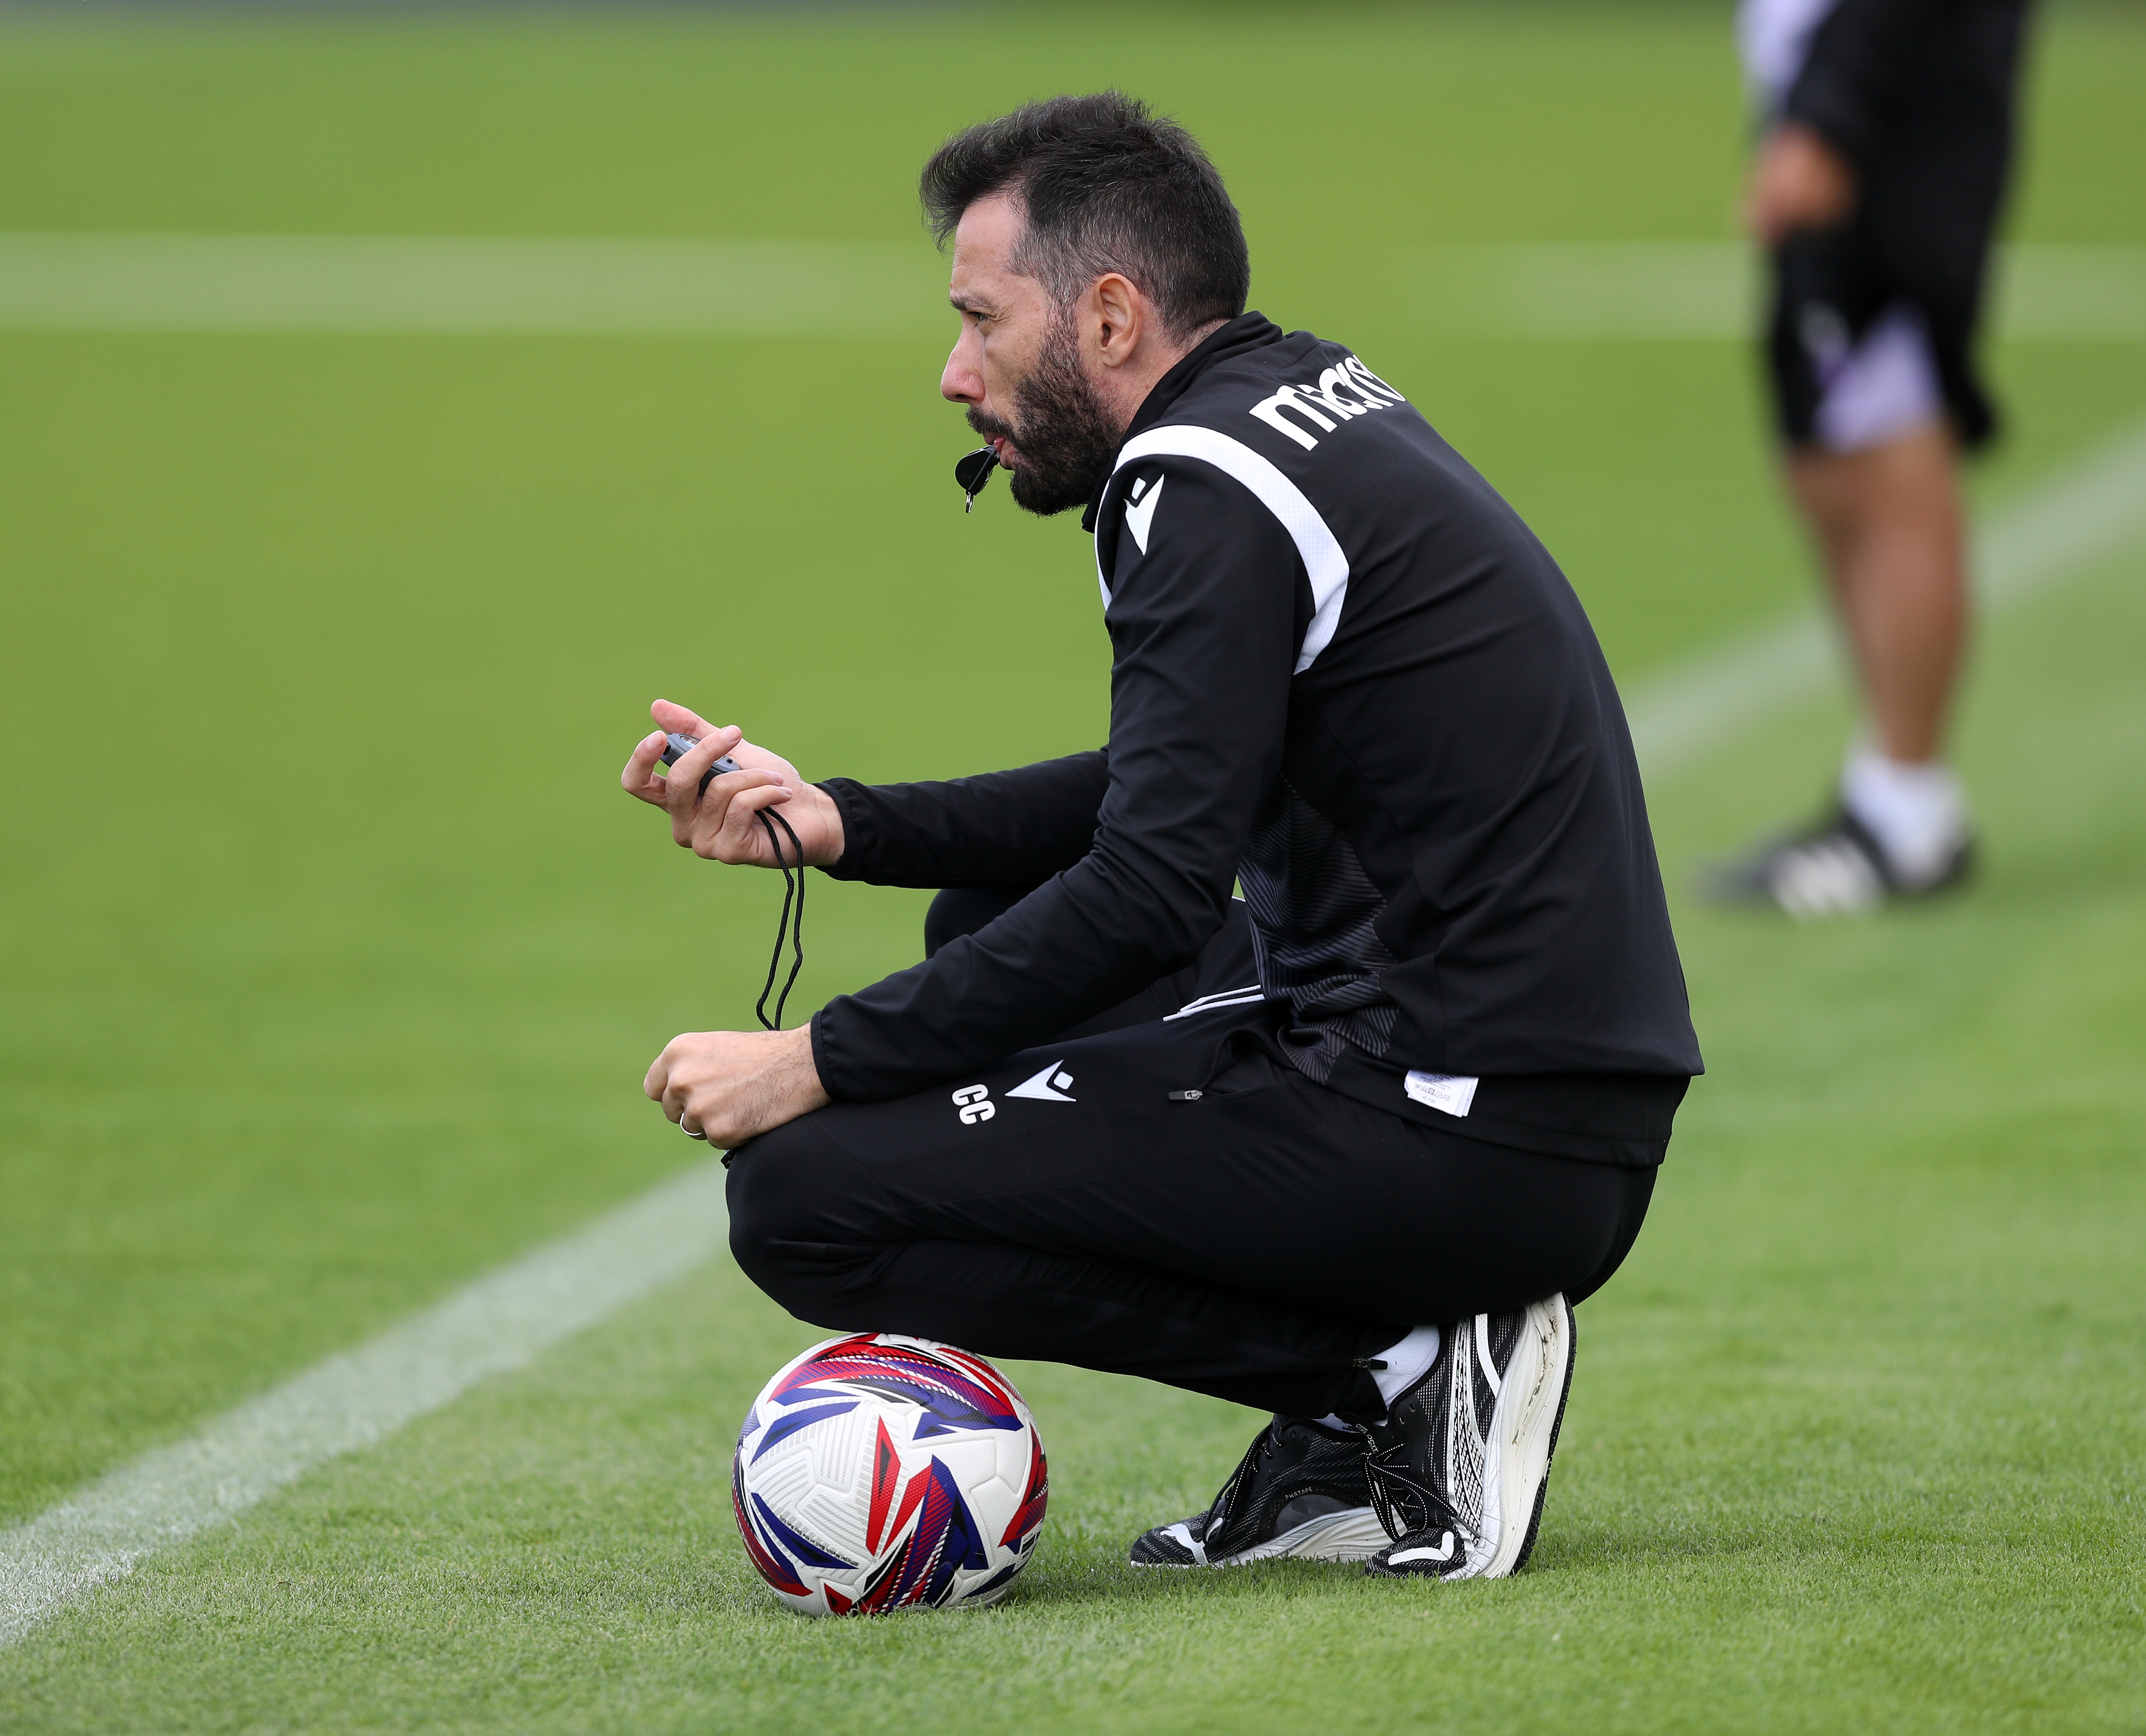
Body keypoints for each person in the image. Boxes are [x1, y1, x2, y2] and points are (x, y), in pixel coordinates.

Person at [623, 95, 1700, 1583]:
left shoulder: (1189, 485)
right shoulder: (1296, 394)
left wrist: (809, 1061)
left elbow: (1149, 888)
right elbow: (1171, 785)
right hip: (1535, 1091)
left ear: (1112, 315)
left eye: (981, 320)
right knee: (984, 908)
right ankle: (1372, 1395)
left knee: (803, 1200)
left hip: (1469, 1126)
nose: (954, 374)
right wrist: (843, 825)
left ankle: (1385, 1383)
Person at [1710, 0, 2034, 917]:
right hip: (1840, 94)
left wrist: (1829, 117)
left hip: (1888, 109)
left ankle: (1907, 809)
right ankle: (1888, 793)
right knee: (1823, 453)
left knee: (1882, 435)